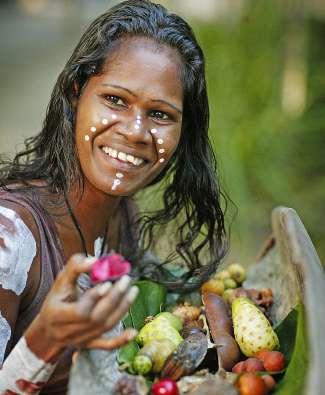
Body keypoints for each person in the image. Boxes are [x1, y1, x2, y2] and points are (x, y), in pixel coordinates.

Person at [0, 0, 227, 393]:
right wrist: (45, 340)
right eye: (115, 100)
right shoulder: (11, 242)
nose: (136, 131)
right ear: (76, 94)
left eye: (160, 114)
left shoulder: (121, 216)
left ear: (182, 131)